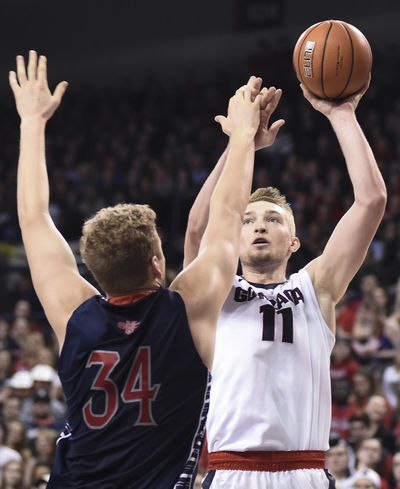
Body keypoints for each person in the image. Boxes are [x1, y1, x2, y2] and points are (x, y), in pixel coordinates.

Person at [9, 50, 264, 488]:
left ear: (93, 271)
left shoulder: (75, 314)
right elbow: (227, 216)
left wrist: (31, 122)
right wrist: (243, 137)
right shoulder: (187, 308)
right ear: (157, 262)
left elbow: (33, 217)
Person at [184, 77, 387, 488]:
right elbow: (197, 228)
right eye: (247, 220)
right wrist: (239, 144)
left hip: (305, 471)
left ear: (294, 241)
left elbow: (371, 201)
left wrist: (341, 113)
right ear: (234, 238)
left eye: (273, 219)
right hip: (231, 472)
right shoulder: (216, 293)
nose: (259, 226)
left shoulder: (316, 288)